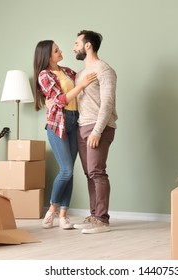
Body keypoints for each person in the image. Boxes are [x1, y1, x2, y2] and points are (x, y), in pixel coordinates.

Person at [33, 40, 96, 229]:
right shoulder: (44, 75)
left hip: (74, 122)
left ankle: (63, 215)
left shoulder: (68, 72)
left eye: (58, 49)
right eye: (56, 50)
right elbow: (61, 100)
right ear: (47, 55)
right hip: (57, 124)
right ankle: (52, 210)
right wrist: (81, 85)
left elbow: (70, 96)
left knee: (70, 172)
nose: (61, 51)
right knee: (66, 170)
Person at [72, 30, 118, 234]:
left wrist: (97, 131)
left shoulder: (104, 69)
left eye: (76, 43)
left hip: (98, 127)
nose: (74, 47)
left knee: (97, 172)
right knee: (89, 173)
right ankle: (94, 216)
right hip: (82, 126)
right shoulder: (80, 74)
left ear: (87, 45)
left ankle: (102, 219)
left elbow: (107, 103)